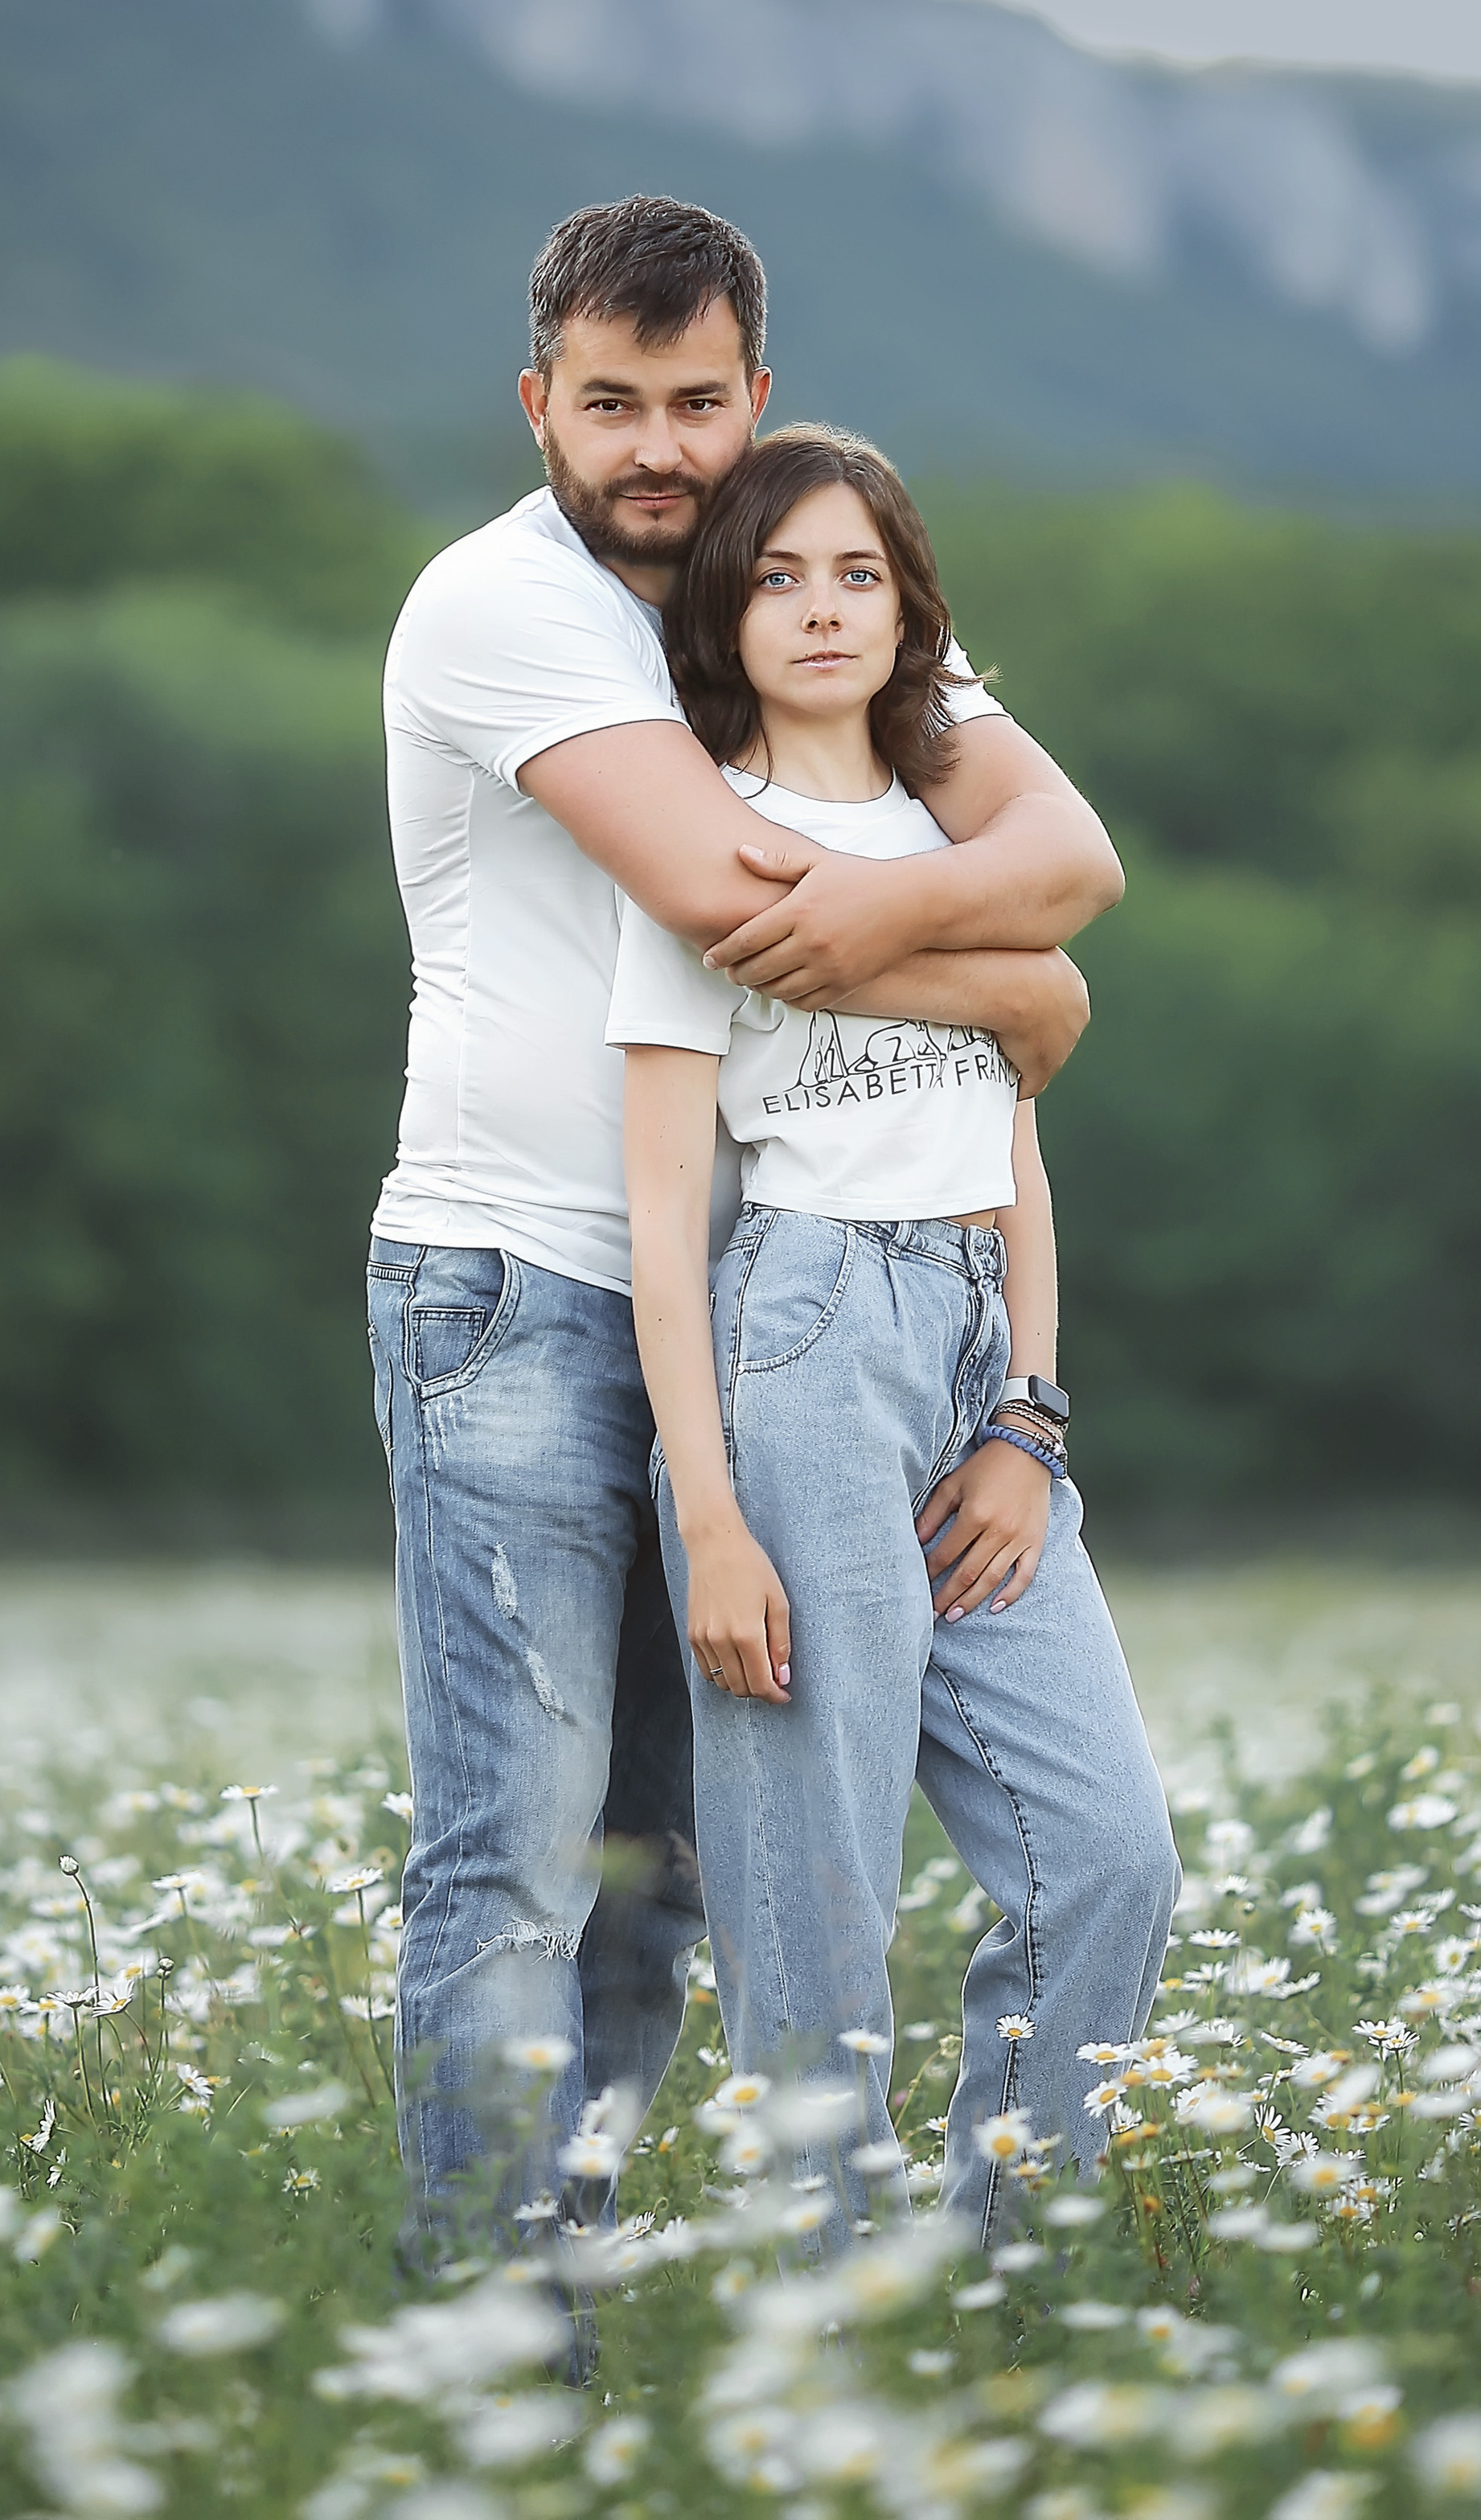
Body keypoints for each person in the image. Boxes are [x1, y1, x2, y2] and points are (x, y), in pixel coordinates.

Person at [366, 195, 1137, 2264]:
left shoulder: (796, 586)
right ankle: (492, 2362)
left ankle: (637, 2305)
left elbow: (1067, 848)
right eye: (609, 403)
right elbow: (729, 912)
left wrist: (1007, 948)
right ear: (536, 404)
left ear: (753, 394)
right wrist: (1013, 983)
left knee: (664, 1872)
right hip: (523, 1283)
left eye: (693, 402)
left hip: (771, 1299)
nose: (656, 450)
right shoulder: (504, 601)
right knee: (517, 1869)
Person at [612, 426, 1179, 2247]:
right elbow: (660, 1219)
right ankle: (828, 2323)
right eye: (777, 576)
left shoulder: (965, 849)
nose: (822, 609)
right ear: (723, 612)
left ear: (912, 610)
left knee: (1107, 1858)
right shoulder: (703, 846)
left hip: (969, 1350)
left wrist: (1030, 1418)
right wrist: (708, 1515)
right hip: (800, 1342)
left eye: (857, 574)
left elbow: (1014, 1144)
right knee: (815, 1892)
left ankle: (1007, 2281)